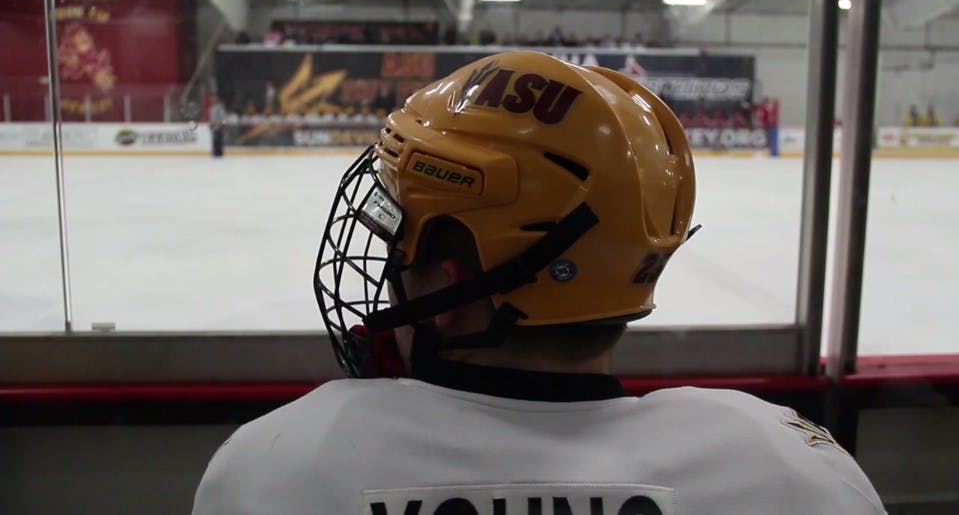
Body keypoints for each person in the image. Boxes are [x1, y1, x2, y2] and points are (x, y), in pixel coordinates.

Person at [191, 51, 886, 515]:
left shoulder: (274, 472)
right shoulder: (795, 476)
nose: (390, 269)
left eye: (399, 241)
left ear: (455, 281)